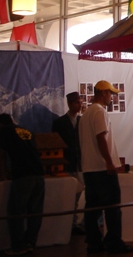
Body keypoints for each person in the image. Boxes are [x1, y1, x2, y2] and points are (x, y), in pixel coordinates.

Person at [79, 80, 133, 254]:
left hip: (89, 169)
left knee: (92, 208)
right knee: (112, 208)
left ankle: (93, 241)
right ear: (103, 93)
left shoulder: (86, 114)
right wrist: (109, 162)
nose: (111, 97)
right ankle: (114, 242)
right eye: (110, 93)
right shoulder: (99, 111)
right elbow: (101, 138)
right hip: (102, 168)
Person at [0, 113, 45, 255]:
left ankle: (18, 246)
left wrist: (4, 176)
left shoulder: (5, 131)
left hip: (23, 175)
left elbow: (2, 156)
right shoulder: (26, 131)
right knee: (35, 212)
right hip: (39, 174)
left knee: (16, 212)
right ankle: (30, 243)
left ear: (0, 125)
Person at [52, 91, 83, 234]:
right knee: (66, 196)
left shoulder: (82, 121)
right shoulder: (59, 123)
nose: (79, 105)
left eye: (80, 102)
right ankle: (66, 225)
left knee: (77, 195)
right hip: (66, 163)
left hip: (80, 163)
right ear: (69, 104)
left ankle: (74, 224)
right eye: (76, 102)